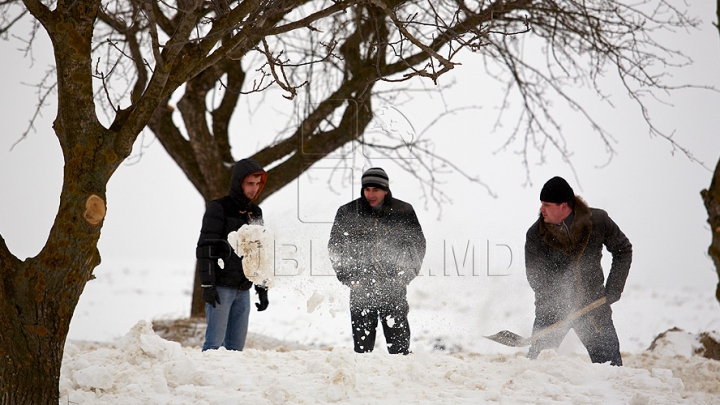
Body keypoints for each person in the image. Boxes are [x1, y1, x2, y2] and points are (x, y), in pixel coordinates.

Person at [525, 176, 632, 365]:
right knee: (535, 370)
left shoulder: (598, 221)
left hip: (594, 308)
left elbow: (623, 250)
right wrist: (561, 302)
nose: (541, 209)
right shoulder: (536, 235)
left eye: (547, 204)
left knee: (612, 371)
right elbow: (536, 277)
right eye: (542, 203)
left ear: (563, 206)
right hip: (552, 313)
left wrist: (614, 288)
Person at [328, 167, 426, 355]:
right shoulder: (348, 212)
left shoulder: (403, 211)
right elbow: (336, 247)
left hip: (394, 288)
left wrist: (404, 276)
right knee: (363, 352)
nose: (370, 194)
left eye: (376, 190)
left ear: (386, 190)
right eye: (367, 189)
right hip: (361, 290)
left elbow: (417, 244)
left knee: (400, 351)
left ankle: (401, 381)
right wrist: (348, 277)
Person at [196, 158, 270, 351]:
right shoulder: (218, 207)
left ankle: (228, 381)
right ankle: (207, 379)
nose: (254, 189)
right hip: (221, 289)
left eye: (257, 184)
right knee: (214, 345)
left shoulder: (255, 213)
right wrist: (207, 284)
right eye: (249, 184)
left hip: (243, 289)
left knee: (236, 348)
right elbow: (205, 248)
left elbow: (259, 252)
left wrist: (262, 287)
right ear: (239, 183)